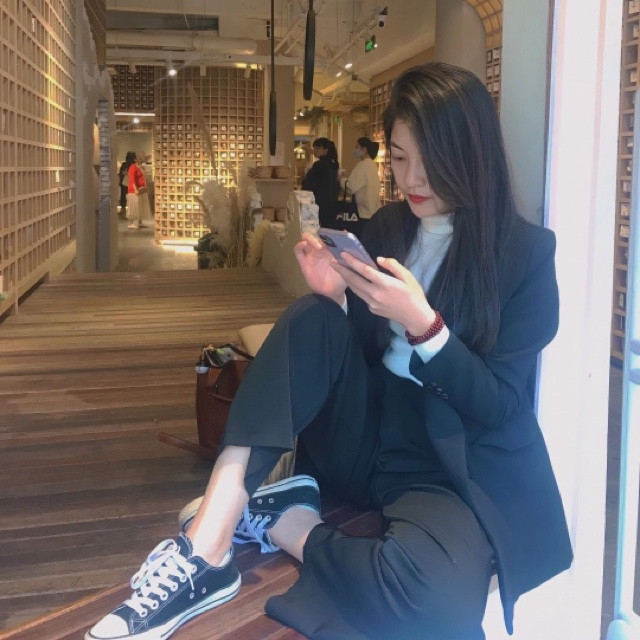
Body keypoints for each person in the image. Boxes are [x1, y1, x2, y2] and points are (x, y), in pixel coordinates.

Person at [85, 62, 573, 640]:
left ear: (471, 154)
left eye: (430, 160)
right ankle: (206, 550)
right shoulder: (390, 227)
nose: (412, 178)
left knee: (436, 603)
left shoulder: (524, 254)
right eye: (399, 158)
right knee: (312, 315)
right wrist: (337, 298)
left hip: (440, 462)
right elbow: (355, 350)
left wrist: (425, 327)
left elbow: (502, 406)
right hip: (361, 434)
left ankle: (285, 523)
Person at [340, 136, 381, 236]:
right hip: (374, 213)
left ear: (364, 149)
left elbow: (351, 187)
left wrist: (341, 179)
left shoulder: (362, 166)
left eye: (357, 147)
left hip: (363, 214)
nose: (355, 150)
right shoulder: (372, 165)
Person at [301, 137, 340, 228]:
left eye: (318, 148)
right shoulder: (334, 165)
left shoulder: (319, 165)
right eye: (314, 148)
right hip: (331, 204)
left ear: (326, 150)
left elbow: (309, 184)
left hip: (319, 203)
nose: (315, 150)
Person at [126, 153, 152, 229]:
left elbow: (144, 178)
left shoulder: (141, 167)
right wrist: (135, 189)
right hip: (134, 190)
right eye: (138, 156)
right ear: (135, 159)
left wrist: (146, 186)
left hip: (142, 188)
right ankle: (131, 223)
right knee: (134, 206)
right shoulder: (132, 167)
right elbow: (132, 179)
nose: (140, 157)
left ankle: (140, 222)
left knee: (140, 205)